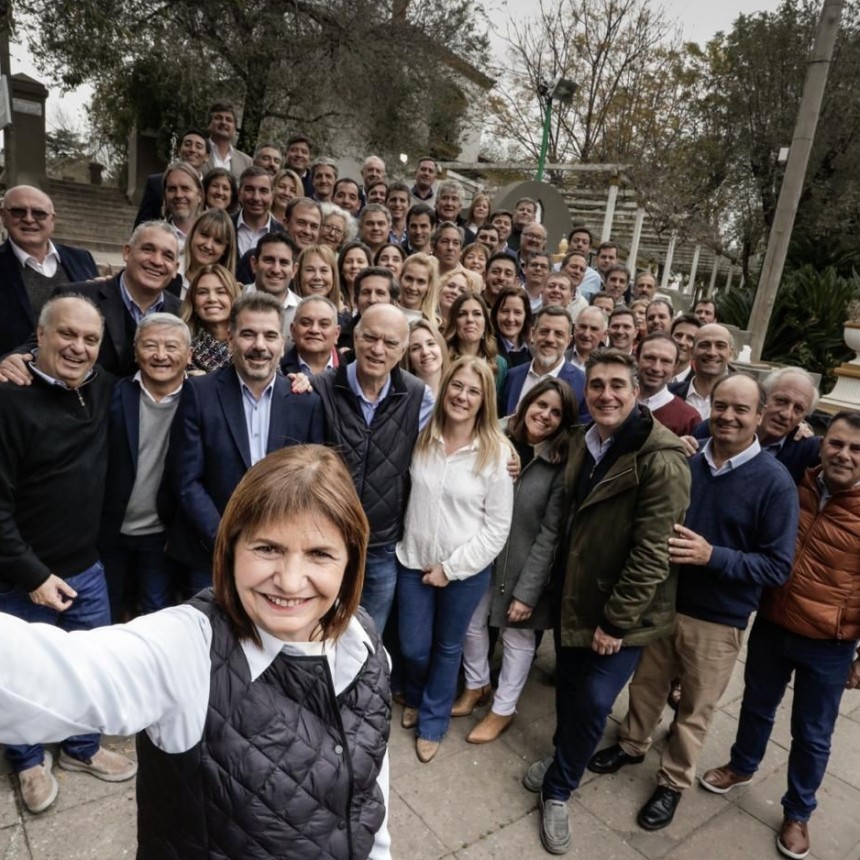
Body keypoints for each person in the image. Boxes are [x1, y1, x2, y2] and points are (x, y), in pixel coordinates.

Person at [0, 445, 393, 858]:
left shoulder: (364, 643)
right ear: (231, 548)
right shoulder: (187, 648)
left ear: (350, 561)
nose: (291, 582)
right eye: (268, 548)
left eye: (319, 554)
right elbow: (43, 675)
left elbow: (370, 795)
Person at [588, 374, 799, 833]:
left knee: (695, 709)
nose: (728, 416)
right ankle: (630, 745)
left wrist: (713, 556)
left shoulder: (775, 483)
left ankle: (672, 781)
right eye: (721, 406)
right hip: (663, 603)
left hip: (717, 620)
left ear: (759, 416)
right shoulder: (688, 460)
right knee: (646, 687)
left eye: (741, 409)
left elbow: (777, 567)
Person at [522, 349, 691, 855]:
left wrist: (616, 623)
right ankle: (561, 758)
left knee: (595, 703)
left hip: (622, 614)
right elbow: (525, 428)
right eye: (596, 385)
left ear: (637, 392)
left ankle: (559, 789)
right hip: (576, 596)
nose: (606, 394)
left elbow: (652, 553)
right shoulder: (582, 439)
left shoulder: (661, 459)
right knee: (571, 690)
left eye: (618, 385)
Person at [699, 411, 860, 860]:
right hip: (772, 622)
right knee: (755, 705)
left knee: (812, 733)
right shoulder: (794, 485)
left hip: (829, 643)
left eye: (857, 449)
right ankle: (742, 765)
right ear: (822, 444)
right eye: (837, 444)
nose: (844, 455)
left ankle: (798, 811)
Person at [0, 295, 138, 814]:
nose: (78, 347)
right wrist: (33, 574)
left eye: (90, 339)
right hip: (17, 576)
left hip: (85, 566)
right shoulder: (8, 399)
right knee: (18, 676)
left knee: (88, 666)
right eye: (66, 335)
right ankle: (29, 761)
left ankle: (81, 748)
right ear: (38, 336)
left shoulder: (101, 388)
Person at [396, 357, 514, 763]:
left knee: (448, 648)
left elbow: (498, 528)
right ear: (445, 388)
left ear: (485, 401)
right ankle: (414, 695)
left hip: (463, 572)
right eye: (457, 386)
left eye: (473, 391)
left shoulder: (496, 453)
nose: (462, 396)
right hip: (413, 561)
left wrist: (452, 568)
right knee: (412, 646)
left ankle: (433, 720)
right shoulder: (421, 436)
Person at [165, 292, 324, 593]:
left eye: (269, 335)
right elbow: (186, 480)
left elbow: (311, 484)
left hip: (279, 556)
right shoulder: (199, 393)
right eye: (248, 334)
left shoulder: (305, 403)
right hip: (209, 555)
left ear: (283, 342)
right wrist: (226, 540)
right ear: (230, 337)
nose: (259, 346)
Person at [460, 378, 577, 743]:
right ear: (527, 402)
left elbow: (550, 534)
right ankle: (477, 685)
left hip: (526, 566)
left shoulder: (559, 463)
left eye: (556, 412)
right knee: (470, 624)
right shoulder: (494, 436)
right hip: (482, 556)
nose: (545, 415)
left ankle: (503, 709)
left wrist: (528, 592)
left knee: (518, 638)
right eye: (541, 405)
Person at [314, 303, 433, 634]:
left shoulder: (418, 396)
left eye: (390, 342)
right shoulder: (320, 387)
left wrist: (506, 449)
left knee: (367, 638)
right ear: (355, 337)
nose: (378, 350)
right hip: (325, 538)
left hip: (380, 546)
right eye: (370, 337)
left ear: (403, 350)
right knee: (317, 630)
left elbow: (461, 435)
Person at [0, 221, 183, 383]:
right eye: (148, 249)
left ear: (175, 269)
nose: (157, 261)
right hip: (85, 415)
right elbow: (37, 343)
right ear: (127, 252)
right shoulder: (76, 296)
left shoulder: (182, 312)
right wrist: (14, 359)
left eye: (167, 255)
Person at [99, 315, 191, 620]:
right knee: (104, 616)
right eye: (150, 345)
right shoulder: (112, 392)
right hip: (110, 531)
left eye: (171, 346)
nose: (161, 355)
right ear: (136, 351)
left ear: (188, 355)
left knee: (157, 615)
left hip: (161, 534)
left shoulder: (202, 397)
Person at [0, 184, 99, 357]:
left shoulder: (81, 259)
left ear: (52, 220)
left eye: (39, 213)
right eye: (18, 211)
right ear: (3, 216)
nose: (29, 219)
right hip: (18, 377)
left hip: (80, 371)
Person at [499, 305, 588, 425]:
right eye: (544, 331)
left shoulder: (582, 384)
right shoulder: (512, 376)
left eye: (558, 334)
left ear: (569, 340)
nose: (550, 339)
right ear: (533, 334)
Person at [134, 128, 210, 226]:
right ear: (179, 150)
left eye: (198, 146)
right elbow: (141, 225)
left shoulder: (210, 188)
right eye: (187, 144)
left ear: (207, 156)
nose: (192, 150)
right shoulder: (156, 182)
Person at [636, 333, 701, 436]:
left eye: (665, 361)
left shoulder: (688, 419)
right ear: (637, 359)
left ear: (675, 366)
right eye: (650, 358)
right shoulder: (615, 402)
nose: (656, 368)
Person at [181, 264, 242, 373]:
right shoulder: (181, 348)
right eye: (203, 292)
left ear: (234, 299)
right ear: (193, 301)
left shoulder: (253, 345)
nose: (212, 299)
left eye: (221, 292)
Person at [443, 292, 507, 394]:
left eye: (477, 314)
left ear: (485, 323)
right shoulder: (442, 358)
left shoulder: (499, 364)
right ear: (454, 322)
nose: (470, 319)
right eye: (462, 314)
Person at [669, 323, 733, 420]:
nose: (712, 353)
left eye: (720, 346)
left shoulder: (742, 399)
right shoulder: (668, 393)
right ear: (692, 351)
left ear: (730, 353)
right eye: (704, 345)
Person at [181, 208, 238, 297]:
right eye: (204, 235)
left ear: (226, 250)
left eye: (218, 241)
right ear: (192, 233)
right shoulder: (169, 269)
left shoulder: (229, 291)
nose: (208, 246)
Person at [281, 295, 341, 376]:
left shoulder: (353, 372)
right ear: (293, 330)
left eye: (324, 324)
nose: (314, 330)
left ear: (336, 334)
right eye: (306, 323)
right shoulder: (277, 371)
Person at [233, 166, 283, 258]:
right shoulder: (225, 226)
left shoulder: (283, 234)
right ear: (239, 193)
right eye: (250, 189)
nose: (256, 197)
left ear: (272, 195)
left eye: (263, 191)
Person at [161, 161, 204, 252]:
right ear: (165, 195)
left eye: (185, 188)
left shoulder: (212, 236)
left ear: (199, 195)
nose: (178, 195)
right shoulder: (155, 236)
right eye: (172, 189)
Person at [204, 101, 253, 178]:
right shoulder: (197, 153)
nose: (223, 122)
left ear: (234, 128)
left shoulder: (246, 162)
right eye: (218, 118)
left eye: (228, 120)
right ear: (209, 124)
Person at [403, 318, 448, 398]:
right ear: (408, 360)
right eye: (415, 348)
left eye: (430, 344)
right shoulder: (402, 400)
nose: (425, 352)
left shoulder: (455, 393)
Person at [492, 286, 533, 370]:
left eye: (517, 312)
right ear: (496, 314)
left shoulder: (533, 351)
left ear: (526, 316)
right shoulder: (487, 350)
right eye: (505, 311)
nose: (510, 319)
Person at [398, 252, 438, 322]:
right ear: (400, 278)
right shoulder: (384, 311)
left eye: (420, 282)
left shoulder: (433, 325)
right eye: (409, 279)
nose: (413, 287)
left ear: (429, 286)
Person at [565, 306, 607, 370]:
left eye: (594, 329)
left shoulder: (611, 363)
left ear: (604, 334)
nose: (586, 334)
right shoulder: (560, 358)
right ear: (574, 329)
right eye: (583, 327)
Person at [338, 241, 373, 314]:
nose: (354, 266)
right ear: (341, 268)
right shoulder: (333, 299)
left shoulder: (375, 299)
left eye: (360, 262)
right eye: (349, 261)